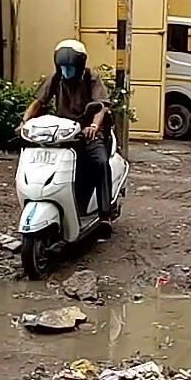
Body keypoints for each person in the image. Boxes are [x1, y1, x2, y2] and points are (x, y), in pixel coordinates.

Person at [18, 40, 114, 239]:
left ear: (79, 66)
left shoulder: (91, 78)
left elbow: (101, 106)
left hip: (87, 133)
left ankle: (105, 215)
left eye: (70, 67)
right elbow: (38, 102)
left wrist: (94, 127)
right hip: (63, 134)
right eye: (63, 67)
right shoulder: (56, 78)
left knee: (100, 162)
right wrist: (24, 123)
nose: (66, 71)